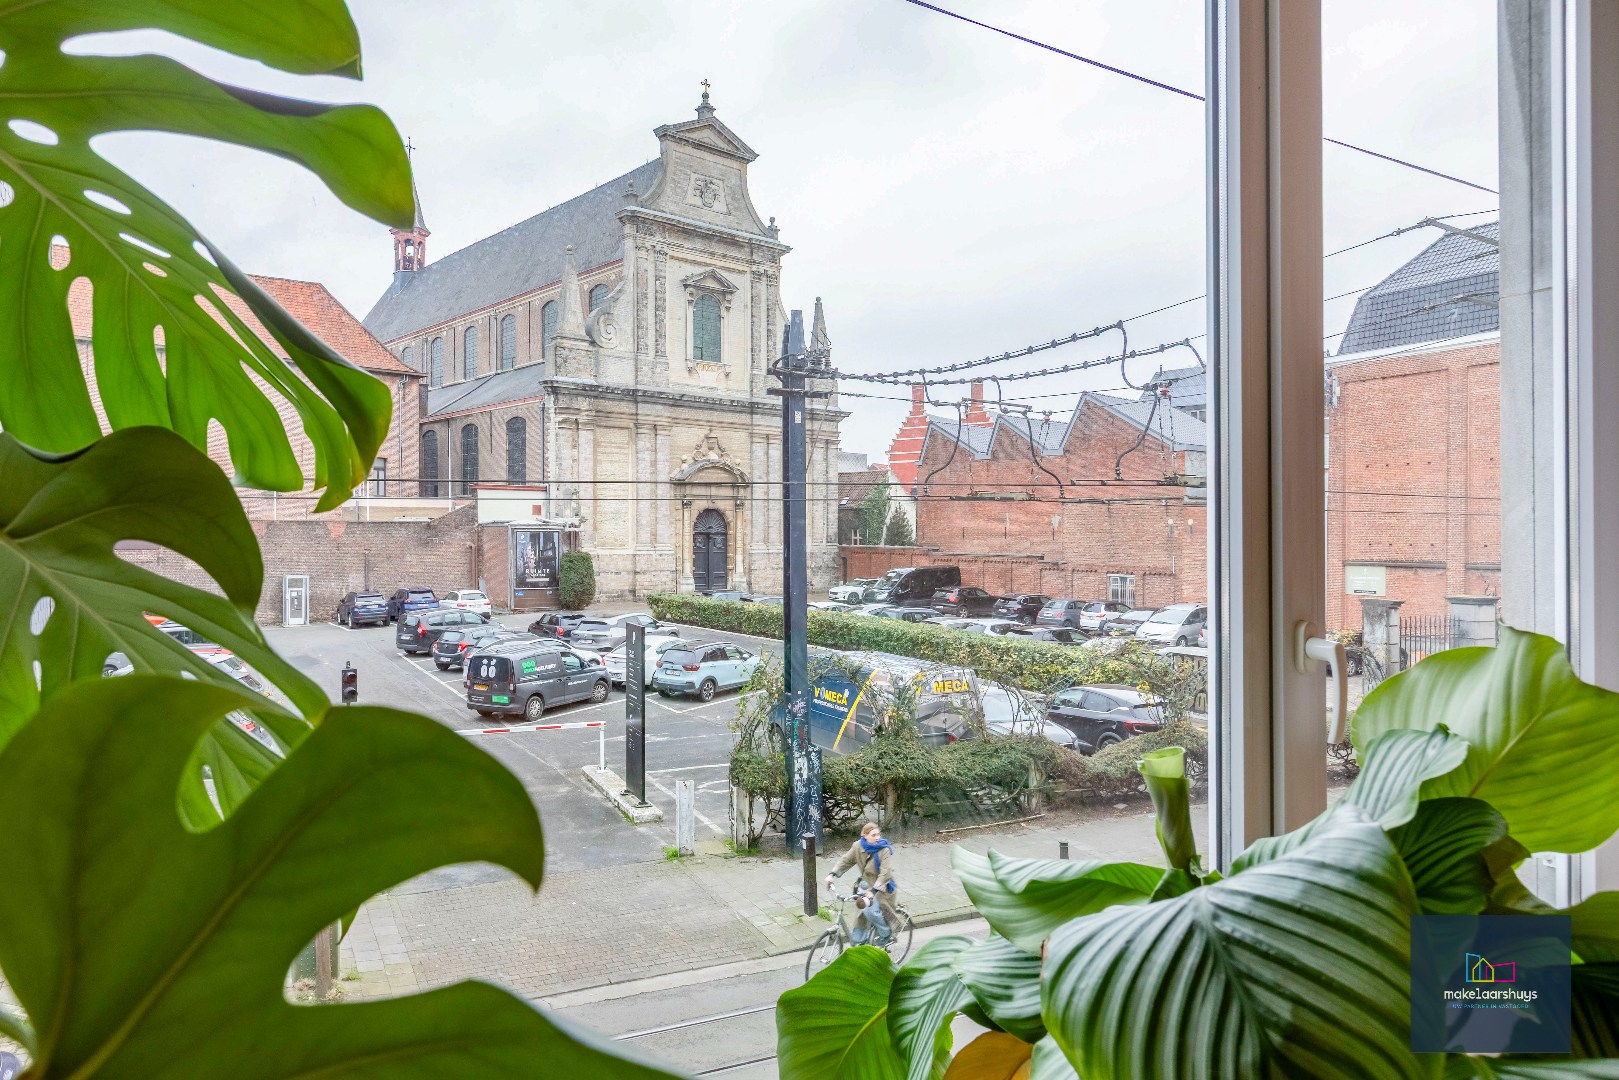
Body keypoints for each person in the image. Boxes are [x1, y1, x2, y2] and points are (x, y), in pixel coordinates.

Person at [826, 821, 898, 945]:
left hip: (882, 887)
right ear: (864, 835)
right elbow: (846, 861)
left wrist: (874, 891)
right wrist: (832, 874)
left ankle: (886, 933)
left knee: (872, 911)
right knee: (861, 916)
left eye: (878, 835)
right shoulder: (857, 846)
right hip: (865, 886)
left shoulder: (884, 849)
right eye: (873, 835)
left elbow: (885, 873)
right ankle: (858, 943)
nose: (877, 838)